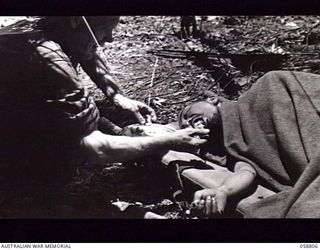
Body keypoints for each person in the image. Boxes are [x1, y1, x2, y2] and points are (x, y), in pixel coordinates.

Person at [0, 16, 209, 217]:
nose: (110, 38)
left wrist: (116, 108)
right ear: (75, 19)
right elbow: (96, 148)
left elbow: (88, 50)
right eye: (105, 27)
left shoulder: (34, 32)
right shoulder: (50, 59)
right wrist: (172, 139)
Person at [180, 71, 320, 218]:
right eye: (184, 127)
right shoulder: (233, 148)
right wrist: (223, 191)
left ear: (211, 98)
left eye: (186, 113)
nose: (186, 122)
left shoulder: (270, 83)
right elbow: (245, 172)